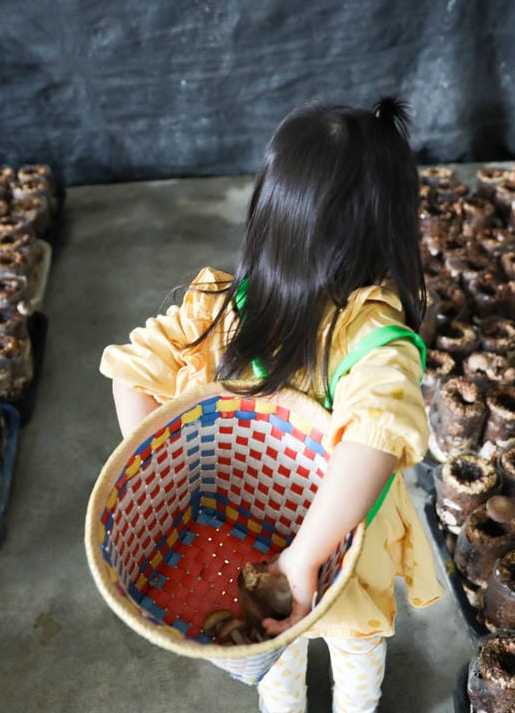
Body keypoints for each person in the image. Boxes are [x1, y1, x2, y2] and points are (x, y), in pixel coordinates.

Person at [100, 97, 443, 713]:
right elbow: (377, 434)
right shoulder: (371, 340)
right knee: (354, 647)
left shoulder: (230, 309)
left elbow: (131, 372)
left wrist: (169, 480)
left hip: (296, 538)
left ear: (269, 214)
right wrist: (305, 557)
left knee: (278, 650)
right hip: (336, 550)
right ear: (391, 227)